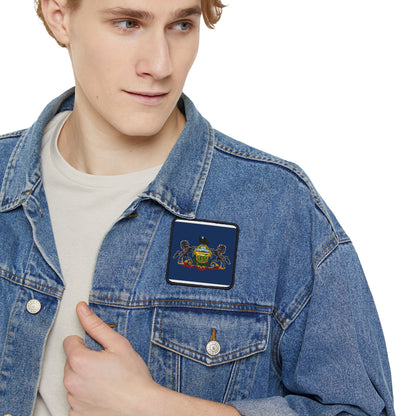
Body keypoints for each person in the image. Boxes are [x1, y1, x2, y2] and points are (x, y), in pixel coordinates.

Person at [0, 0, 395, 415]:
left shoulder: (277, 207)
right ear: (59, 16)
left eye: (182, 25)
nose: (160, 65)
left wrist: (157, 408)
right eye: (128, 23)